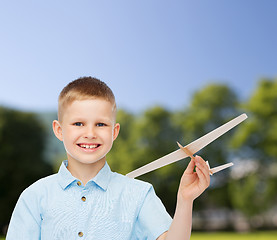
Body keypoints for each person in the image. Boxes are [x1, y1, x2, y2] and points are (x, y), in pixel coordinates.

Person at [6, 77, 210, 240]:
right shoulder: (34, 196)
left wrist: (185, 200)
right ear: (59, 130)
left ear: (114, 131)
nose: (90, 133)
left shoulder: (139, 194)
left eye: (101, 124)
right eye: (78, 123)